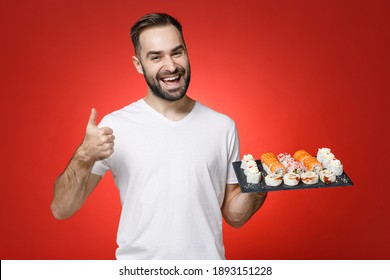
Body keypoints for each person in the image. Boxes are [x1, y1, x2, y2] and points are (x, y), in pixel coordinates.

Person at [50, 13, 267, 260]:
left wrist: (258, 186)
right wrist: (83, 156)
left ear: (187, 52)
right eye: (156, 57)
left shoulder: (223, 126)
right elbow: (61, 209)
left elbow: (234, 217)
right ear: (138, 64)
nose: (171, 66)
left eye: (177, 52)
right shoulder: (115, 126)